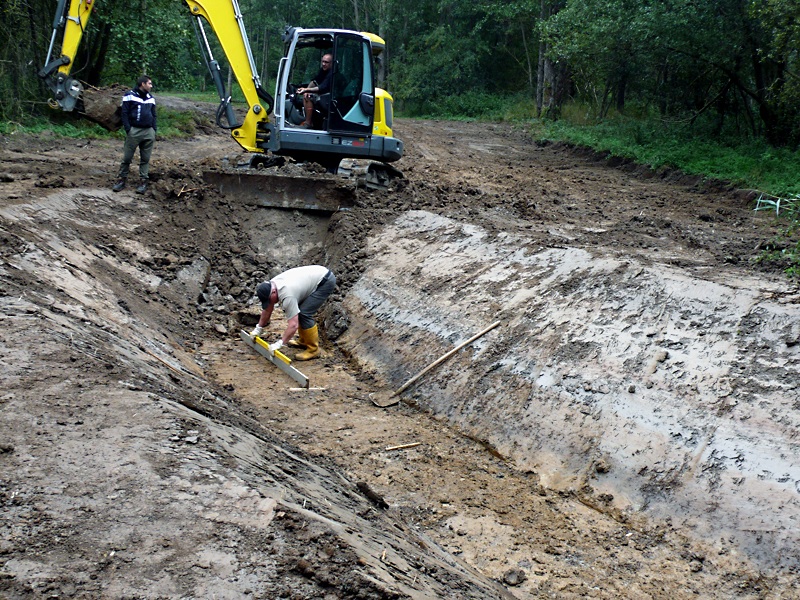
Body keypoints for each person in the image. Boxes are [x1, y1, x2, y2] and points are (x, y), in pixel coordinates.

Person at [250, 265, 336, 361]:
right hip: (314, 277)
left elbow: (293, 325)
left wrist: (280, 343)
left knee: (304, 313)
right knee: (297, 310)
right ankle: (303, 341)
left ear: (274, 292)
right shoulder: (271, 286)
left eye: (269, 300)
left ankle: (313, 350)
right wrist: (258, 328)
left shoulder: (287, 295)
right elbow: (267, 310)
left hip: (325, 281)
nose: (270, 303)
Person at [112, 75, 157, 194]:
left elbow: (154, 114)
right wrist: (128, 129)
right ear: (143, 84)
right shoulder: (129, 95)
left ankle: (143, 182)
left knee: (145, 159)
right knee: (127, 157)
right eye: (149, 83)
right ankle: (121, 180)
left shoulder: (150, 98)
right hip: (134, 131)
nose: (151, 86)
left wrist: (154, 129)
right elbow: (124, 113)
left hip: (148, 132)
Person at [296, 54, 333, 129]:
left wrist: (307, 90)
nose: (323, 64)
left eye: (326, 62)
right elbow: (315, 81)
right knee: (306, 95)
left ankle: (308, 123)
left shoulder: (332, 74)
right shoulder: (323, 71)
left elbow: (322, 88)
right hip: (323, 95)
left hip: (330, 98)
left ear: (332, 63)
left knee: (310, 97)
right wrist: (307, 90)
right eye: (322, 61)